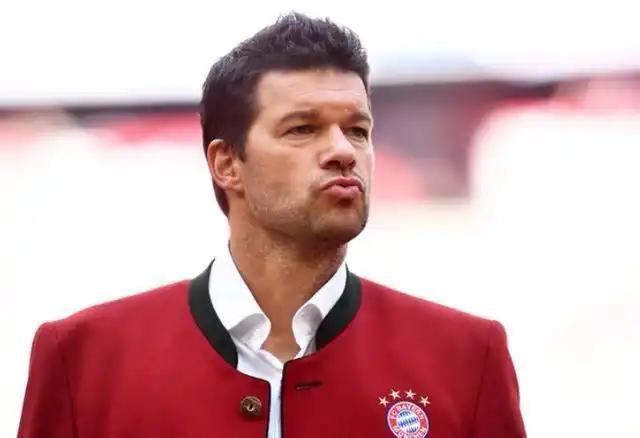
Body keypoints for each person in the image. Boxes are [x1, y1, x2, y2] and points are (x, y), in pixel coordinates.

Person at [18, 12, 526, 438]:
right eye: (303, 129)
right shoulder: (84, 357)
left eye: (357, 130)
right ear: (226, 164)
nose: (343, 151)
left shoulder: (466, 357)